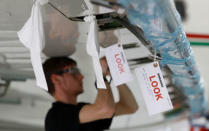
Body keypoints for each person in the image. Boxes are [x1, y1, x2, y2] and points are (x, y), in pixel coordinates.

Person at [43, 56, 138, 131]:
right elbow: (106, 109)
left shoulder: (81, 110)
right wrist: (101, 76)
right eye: (74, 71)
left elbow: (129, 107)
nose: (81, 76)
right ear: (56, 79)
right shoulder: (55, 117)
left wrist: (115, 74)